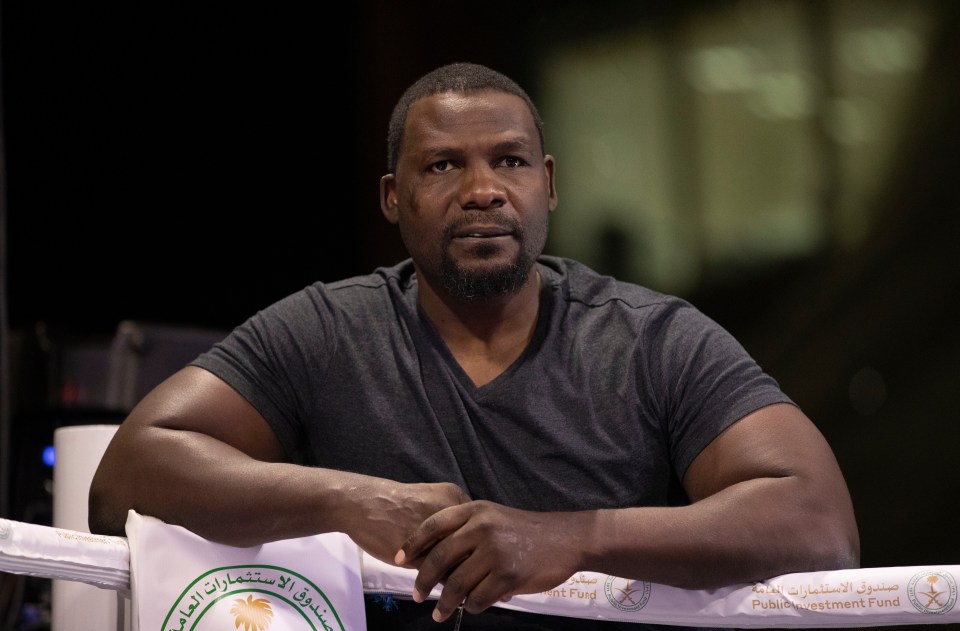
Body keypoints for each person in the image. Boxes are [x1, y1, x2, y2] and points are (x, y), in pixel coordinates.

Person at [88, 61, 860, 630]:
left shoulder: (650, 338)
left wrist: (567, 536)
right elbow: (129, 470)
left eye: (510, 160)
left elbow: (818, 521)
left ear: (548, 183)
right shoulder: (328, 330)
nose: (483, 189)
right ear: (394, 196)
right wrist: (347, 500)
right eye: (443, 165)